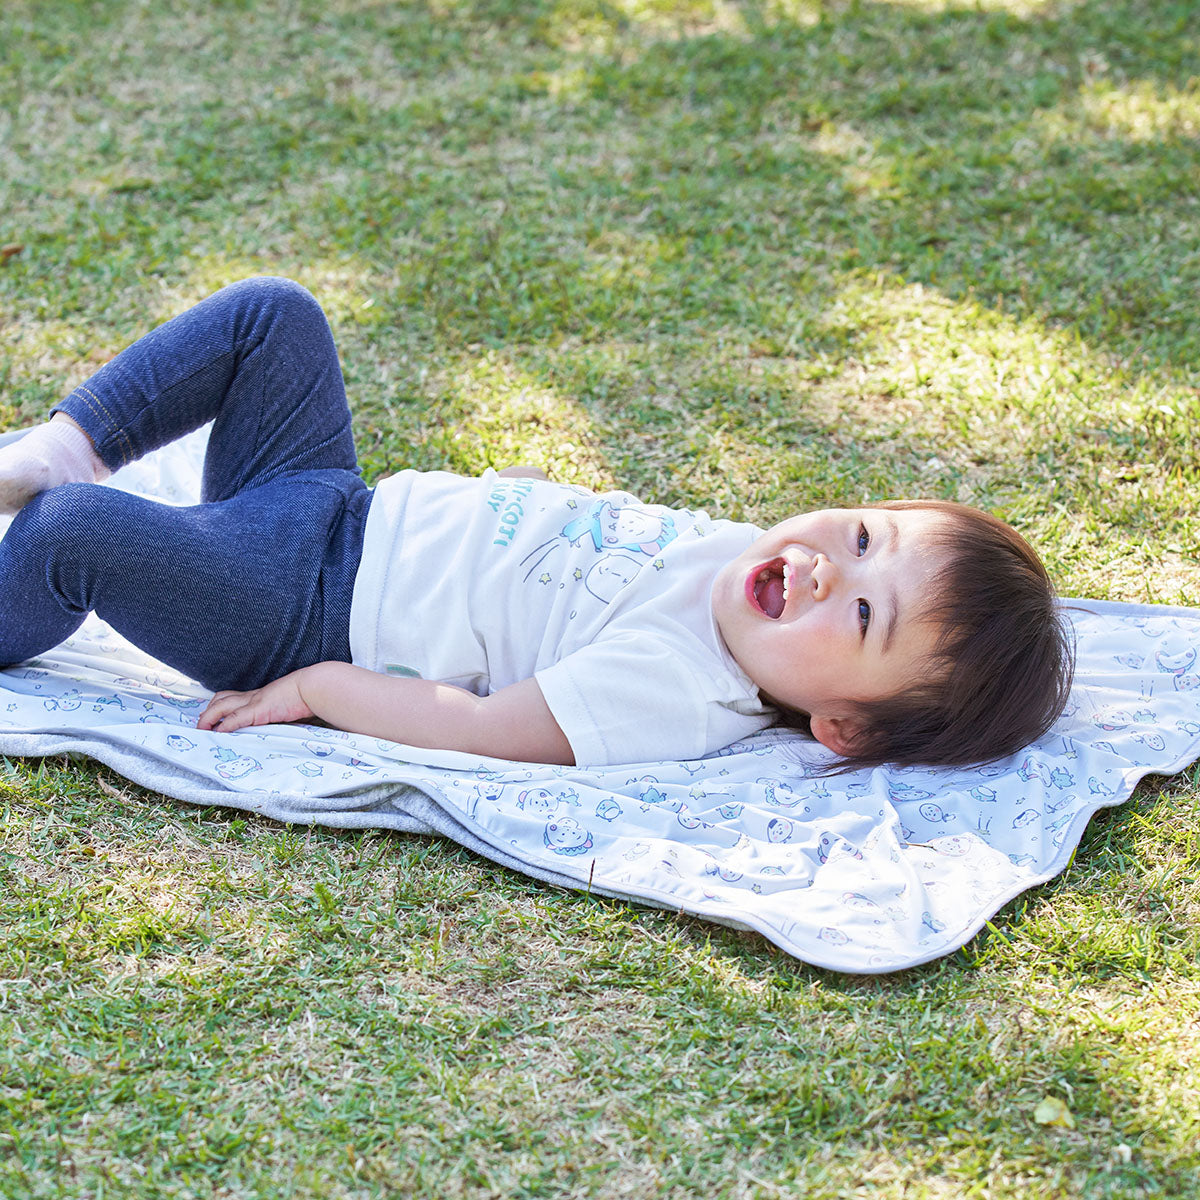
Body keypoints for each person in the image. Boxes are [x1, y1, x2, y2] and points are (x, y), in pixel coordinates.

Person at [0, 277, 1072, 770]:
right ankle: (67, 438)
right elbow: (585, 554)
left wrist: (315, 689)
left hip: (295, 607)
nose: (833, 570)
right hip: (340, 503)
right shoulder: (745, 563)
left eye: (867, 616)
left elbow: (477, 727)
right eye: (866, 537)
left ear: (842, 723)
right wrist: (511, 506)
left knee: (73, 534)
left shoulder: (679, 689)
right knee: (276, 315)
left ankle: (42, 533)